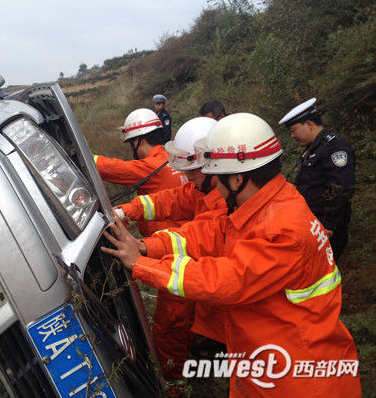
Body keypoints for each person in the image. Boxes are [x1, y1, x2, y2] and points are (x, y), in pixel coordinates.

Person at [102, 113, 361, 396]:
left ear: (237, 179)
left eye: (216, 175)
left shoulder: (281, 230)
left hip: (297, 376)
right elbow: (213, 231)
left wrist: (142, 265)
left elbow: (227, 280)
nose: (210, 183)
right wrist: (145, 247)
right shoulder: (270, 202)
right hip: (273, 360)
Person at [116, 117, 226, 388]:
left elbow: (195, 237)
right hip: (209, 293)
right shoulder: (206, 188)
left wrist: (142, 248)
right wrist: (126, 211)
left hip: (222, 301)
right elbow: (173, 199)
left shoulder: (224, 203)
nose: (188, 177)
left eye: (194, 170)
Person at [279, 98, 355, 260]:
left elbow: (339, 187)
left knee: (324, 274)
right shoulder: (314, 148)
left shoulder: (335, 147)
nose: (292, 136)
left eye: (294, 130)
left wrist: (328, 224)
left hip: (326, 229)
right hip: (313, 225)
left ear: (309, 124)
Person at [94, 108, 186, 238]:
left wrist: (84, 158)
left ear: (140, 142)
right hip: (183, 233)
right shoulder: (170, 158)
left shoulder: (151, 166)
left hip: (166, 242)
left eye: (131, 144)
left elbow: (112, 168)